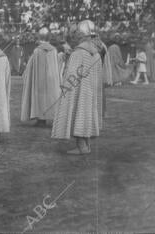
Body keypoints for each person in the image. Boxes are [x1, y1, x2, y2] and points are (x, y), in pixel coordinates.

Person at [51, 20, 103, 155]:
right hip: (91, 92)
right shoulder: (96, 53)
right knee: (87, 114)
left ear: (81, 35)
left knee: (78, 113)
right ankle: (86, 145)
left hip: (78, 91)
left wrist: (64, 87)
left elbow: (70, 75)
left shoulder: (78, 53)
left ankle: (81, 147)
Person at [20, 27, 61, 127]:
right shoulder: (54, 50)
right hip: (51, 79)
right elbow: (57, 65)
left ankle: (41, 120)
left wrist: (26, 74)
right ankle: (46, 118)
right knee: (49, 97)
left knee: (40, 97)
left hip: (39, 79)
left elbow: (31, 65)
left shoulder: (37, 51)